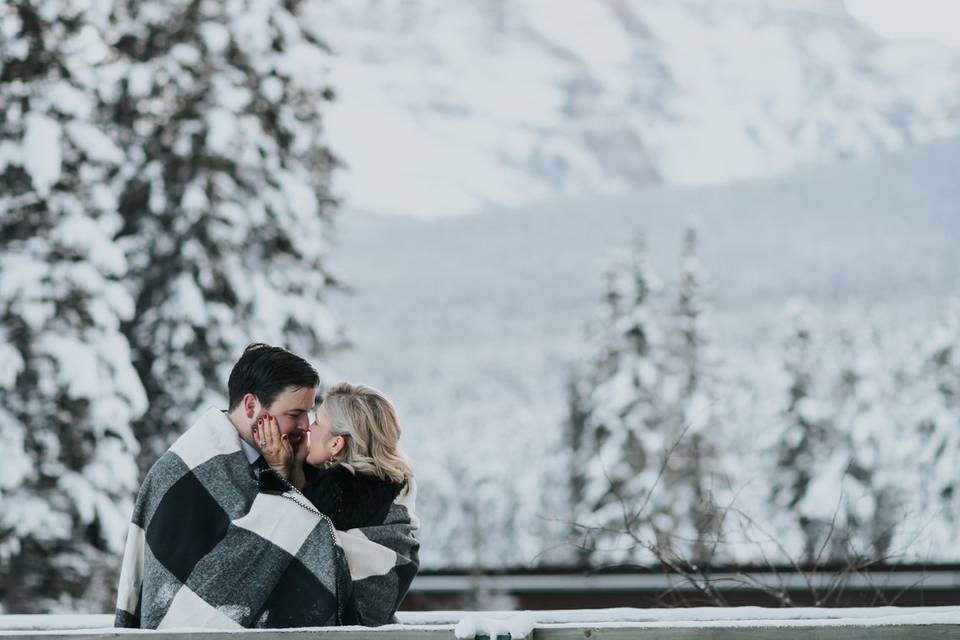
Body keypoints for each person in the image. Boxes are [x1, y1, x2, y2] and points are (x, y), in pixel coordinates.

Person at [114, 344, 418, 629]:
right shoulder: (190, 468)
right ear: (251, 406)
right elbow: (189, 586)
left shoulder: (302, 469)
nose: (304, 426)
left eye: (310, 415)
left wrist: (286, 474)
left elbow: (285, 550)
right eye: (295, 414)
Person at [256, 382, 414, 531]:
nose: (308, 427)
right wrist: (297, 466)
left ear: (336, 444)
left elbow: (278, 538)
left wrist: (277, 471)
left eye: (317, 422)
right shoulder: (386, 485)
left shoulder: (338, 494)